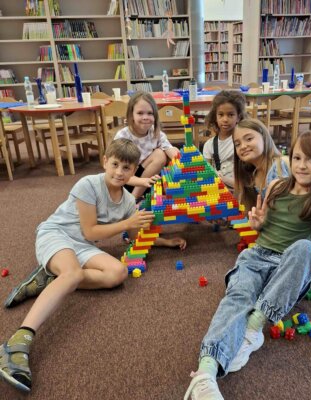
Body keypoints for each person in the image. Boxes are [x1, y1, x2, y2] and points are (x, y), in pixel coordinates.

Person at [0, 139, 183, 393]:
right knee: (72, 273)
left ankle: (51, 277)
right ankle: (18, 340)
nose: (120, 172)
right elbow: (90, 230)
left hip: (83, 246)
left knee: (118, 272)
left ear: (134, 172)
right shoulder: (88, 184)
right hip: (58, 234)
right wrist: (127, 224)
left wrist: (165, 242)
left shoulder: (128, 202)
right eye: (115, 164)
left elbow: (131, 236)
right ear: (105, 161)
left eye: (127, 168)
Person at [184, 130, 311, 400]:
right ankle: (205, 374)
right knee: (237, 298)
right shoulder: (277, 186)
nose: (302, 165)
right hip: (258, 255)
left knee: (305, 249)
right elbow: (263, 226)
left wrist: (302, 270)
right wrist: (257, 224)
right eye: (297, 158)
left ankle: (255, 325)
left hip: (288, 264)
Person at [114, 91, 180, 200]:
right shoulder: (123, 135)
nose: (145, 117)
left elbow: (169, 149)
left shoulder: (156, 132)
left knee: (175, 152)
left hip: (148, 180)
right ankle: (133, 198)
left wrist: (186, 161)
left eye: (150, 113)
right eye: (140, 113)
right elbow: (117, 169)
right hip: (126, 179)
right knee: (160, 155)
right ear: (131, 115)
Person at [202, 90, 247, 191]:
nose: (225, 119)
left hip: (241, 190)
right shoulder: (209, 145)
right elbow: (206, 174)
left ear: (238, 117)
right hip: (219, 191)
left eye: (231, 115)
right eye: (221, 115)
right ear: (215, 117)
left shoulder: (243, 143)